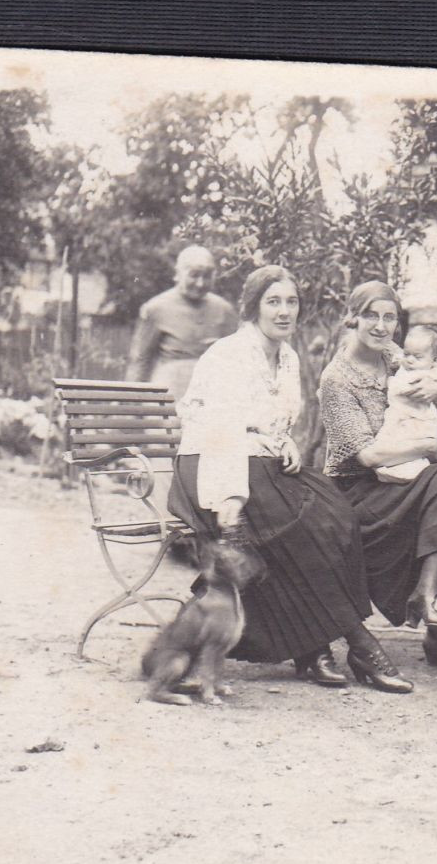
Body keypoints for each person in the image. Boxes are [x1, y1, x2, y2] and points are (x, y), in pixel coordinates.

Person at [167, 265, 412, 694]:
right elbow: (216, 426)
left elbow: (274, 422)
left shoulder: (289, 356)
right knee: (298, 525)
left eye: (291, 302)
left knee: (334, 512)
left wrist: (286, 442)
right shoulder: (230, 354)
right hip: (212, 466)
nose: (284, 312)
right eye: (273, 302)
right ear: (253, 307)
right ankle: (358, 642)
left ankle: (312, 647)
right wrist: (231, 498)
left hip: (258, 462)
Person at [318, 282, 437, 675]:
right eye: (371, 316)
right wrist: (426, 448)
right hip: (357, 489)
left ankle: (428, 597)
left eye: (389, 317)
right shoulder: (337, 379)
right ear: (353, 318)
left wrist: (436, 389)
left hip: (403, 480)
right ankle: (435, 617)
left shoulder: (396, 358)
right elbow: (366, 455)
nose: (381, 326)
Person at [126, 244, 238, 396]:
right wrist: (132, 402)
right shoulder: (156, 308)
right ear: (178, 274)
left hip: (212, 395)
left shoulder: (224, 310)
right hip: (170, 393)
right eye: (194, 275)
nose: (200, 283)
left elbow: (236, 361)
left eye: (207, 276)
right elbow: (140, 360)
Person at [369, 325, 437, 484]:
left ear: (435, 360)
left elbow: (401, 389)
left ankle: (407, 474)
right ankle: (397, 472)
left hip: (418, 422)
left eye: (417, 356)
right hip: (400, 419)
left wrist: (389, 381)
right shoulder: (408, 364)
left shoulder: (422, 375)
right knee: (391, 443)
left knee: (411, 447)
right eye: (406, 354)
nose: (409, 360)